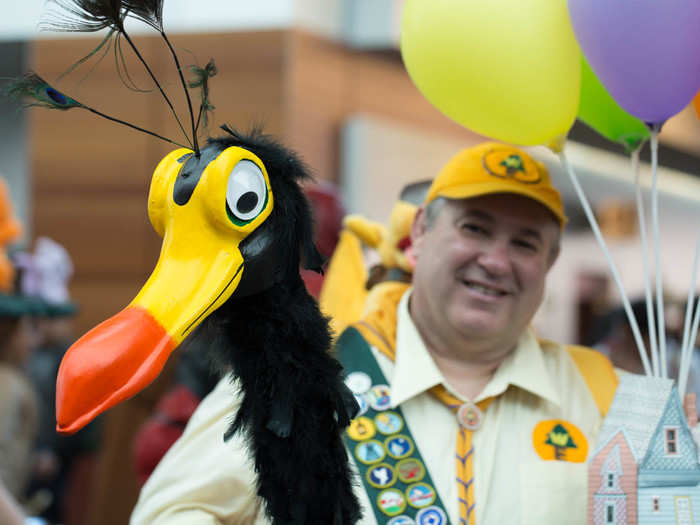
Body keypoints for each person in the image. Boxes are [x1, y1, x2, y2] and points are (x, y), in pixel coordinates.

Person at [130, 142, 618, 524]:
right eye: (474, 228)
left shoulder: (604, 396)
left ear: (550, 263)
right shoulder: (296, 374)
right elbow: (169, 515)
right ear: (421, 233)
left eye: (525, 243)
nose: (495, 260)